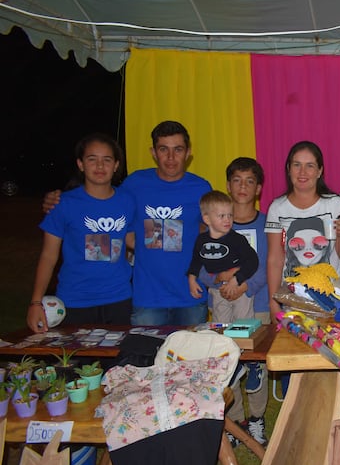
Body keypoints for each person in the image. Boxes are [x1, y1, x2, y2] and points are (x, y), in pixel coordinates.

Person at [45, 121, 212, 325]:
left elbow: (211, 231)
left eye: (177, 149)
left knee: (192, 356)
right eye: (163, 149)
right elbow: (104, 201)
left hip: (191, 297)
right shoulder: (135, 184)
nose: (170, 157)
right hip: (146, 299)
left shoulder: (201, 188)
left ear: (188, 153)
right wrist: (58, 199)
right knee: (141, 355)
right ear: (153, 152)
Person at [197, 158, 271, 446]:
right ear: (227, 185)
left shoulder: (266, 224)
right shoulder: (213, 228)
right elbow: (201, 268)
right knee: (227, 363)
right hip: (223, 304)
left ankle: (256, 419)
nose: (242, 186)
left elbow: (268, 264)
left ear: (258, 188)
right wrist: (220, 283)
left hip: (258, 304)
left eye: (249, 181)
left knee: (255, 364)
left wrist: (244, 286)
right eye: (237, 180)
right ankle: (235, 419)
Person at [27, 133, 135, 332]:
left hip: (119, 300)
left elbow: (133, 240)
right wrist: (35, 303)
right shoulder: (63, 204)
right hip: (75, 301)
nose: (100, 166)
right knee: (78, 362)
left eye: (107, 160)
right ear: (81, 164)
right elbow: (48, 256)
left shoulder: (128, 201)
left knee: (119, 361)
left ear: (116, 165)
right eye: (92, 159)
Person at [265, 141, 340, 322]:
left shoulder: (335, 204)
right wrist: (274, 302)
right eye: (296, 165)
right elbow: (275, 259)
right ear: (288, 169)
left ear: (319, 171)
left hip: (330, 296)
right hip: (291, 298)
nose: (302, 172)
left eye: (310, 166)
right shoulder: (278, 208)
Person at [187, 190, 259, 321]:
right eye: (222, 216)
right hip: (218, 289)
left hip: (239, 284)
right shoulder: (201, 240)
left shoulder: (237, 239)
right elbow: (196, 261)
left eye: (230, 215)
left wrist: (236, 280)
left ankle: (242, 341)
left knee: (243, 325)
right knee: (220, 325)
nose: (227, 220)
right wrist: (192, 280)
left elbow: (253, 261)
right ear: (207, 219)